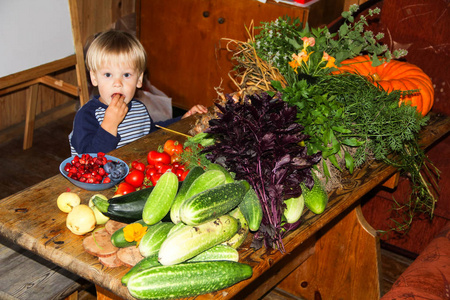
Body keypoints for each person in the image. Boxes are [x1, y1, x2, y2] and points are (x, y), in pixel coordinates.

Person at [69, 29, 207, 156]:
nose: (118, 83)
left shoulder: (139, 109)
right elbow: (88, 159)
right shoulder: (87, 116)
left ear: (139, 79)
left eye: (127, 75)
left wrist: (182, 120)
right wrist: (109, 125)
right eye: (108, 75)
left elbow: (152, 133)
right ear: (94, 78)